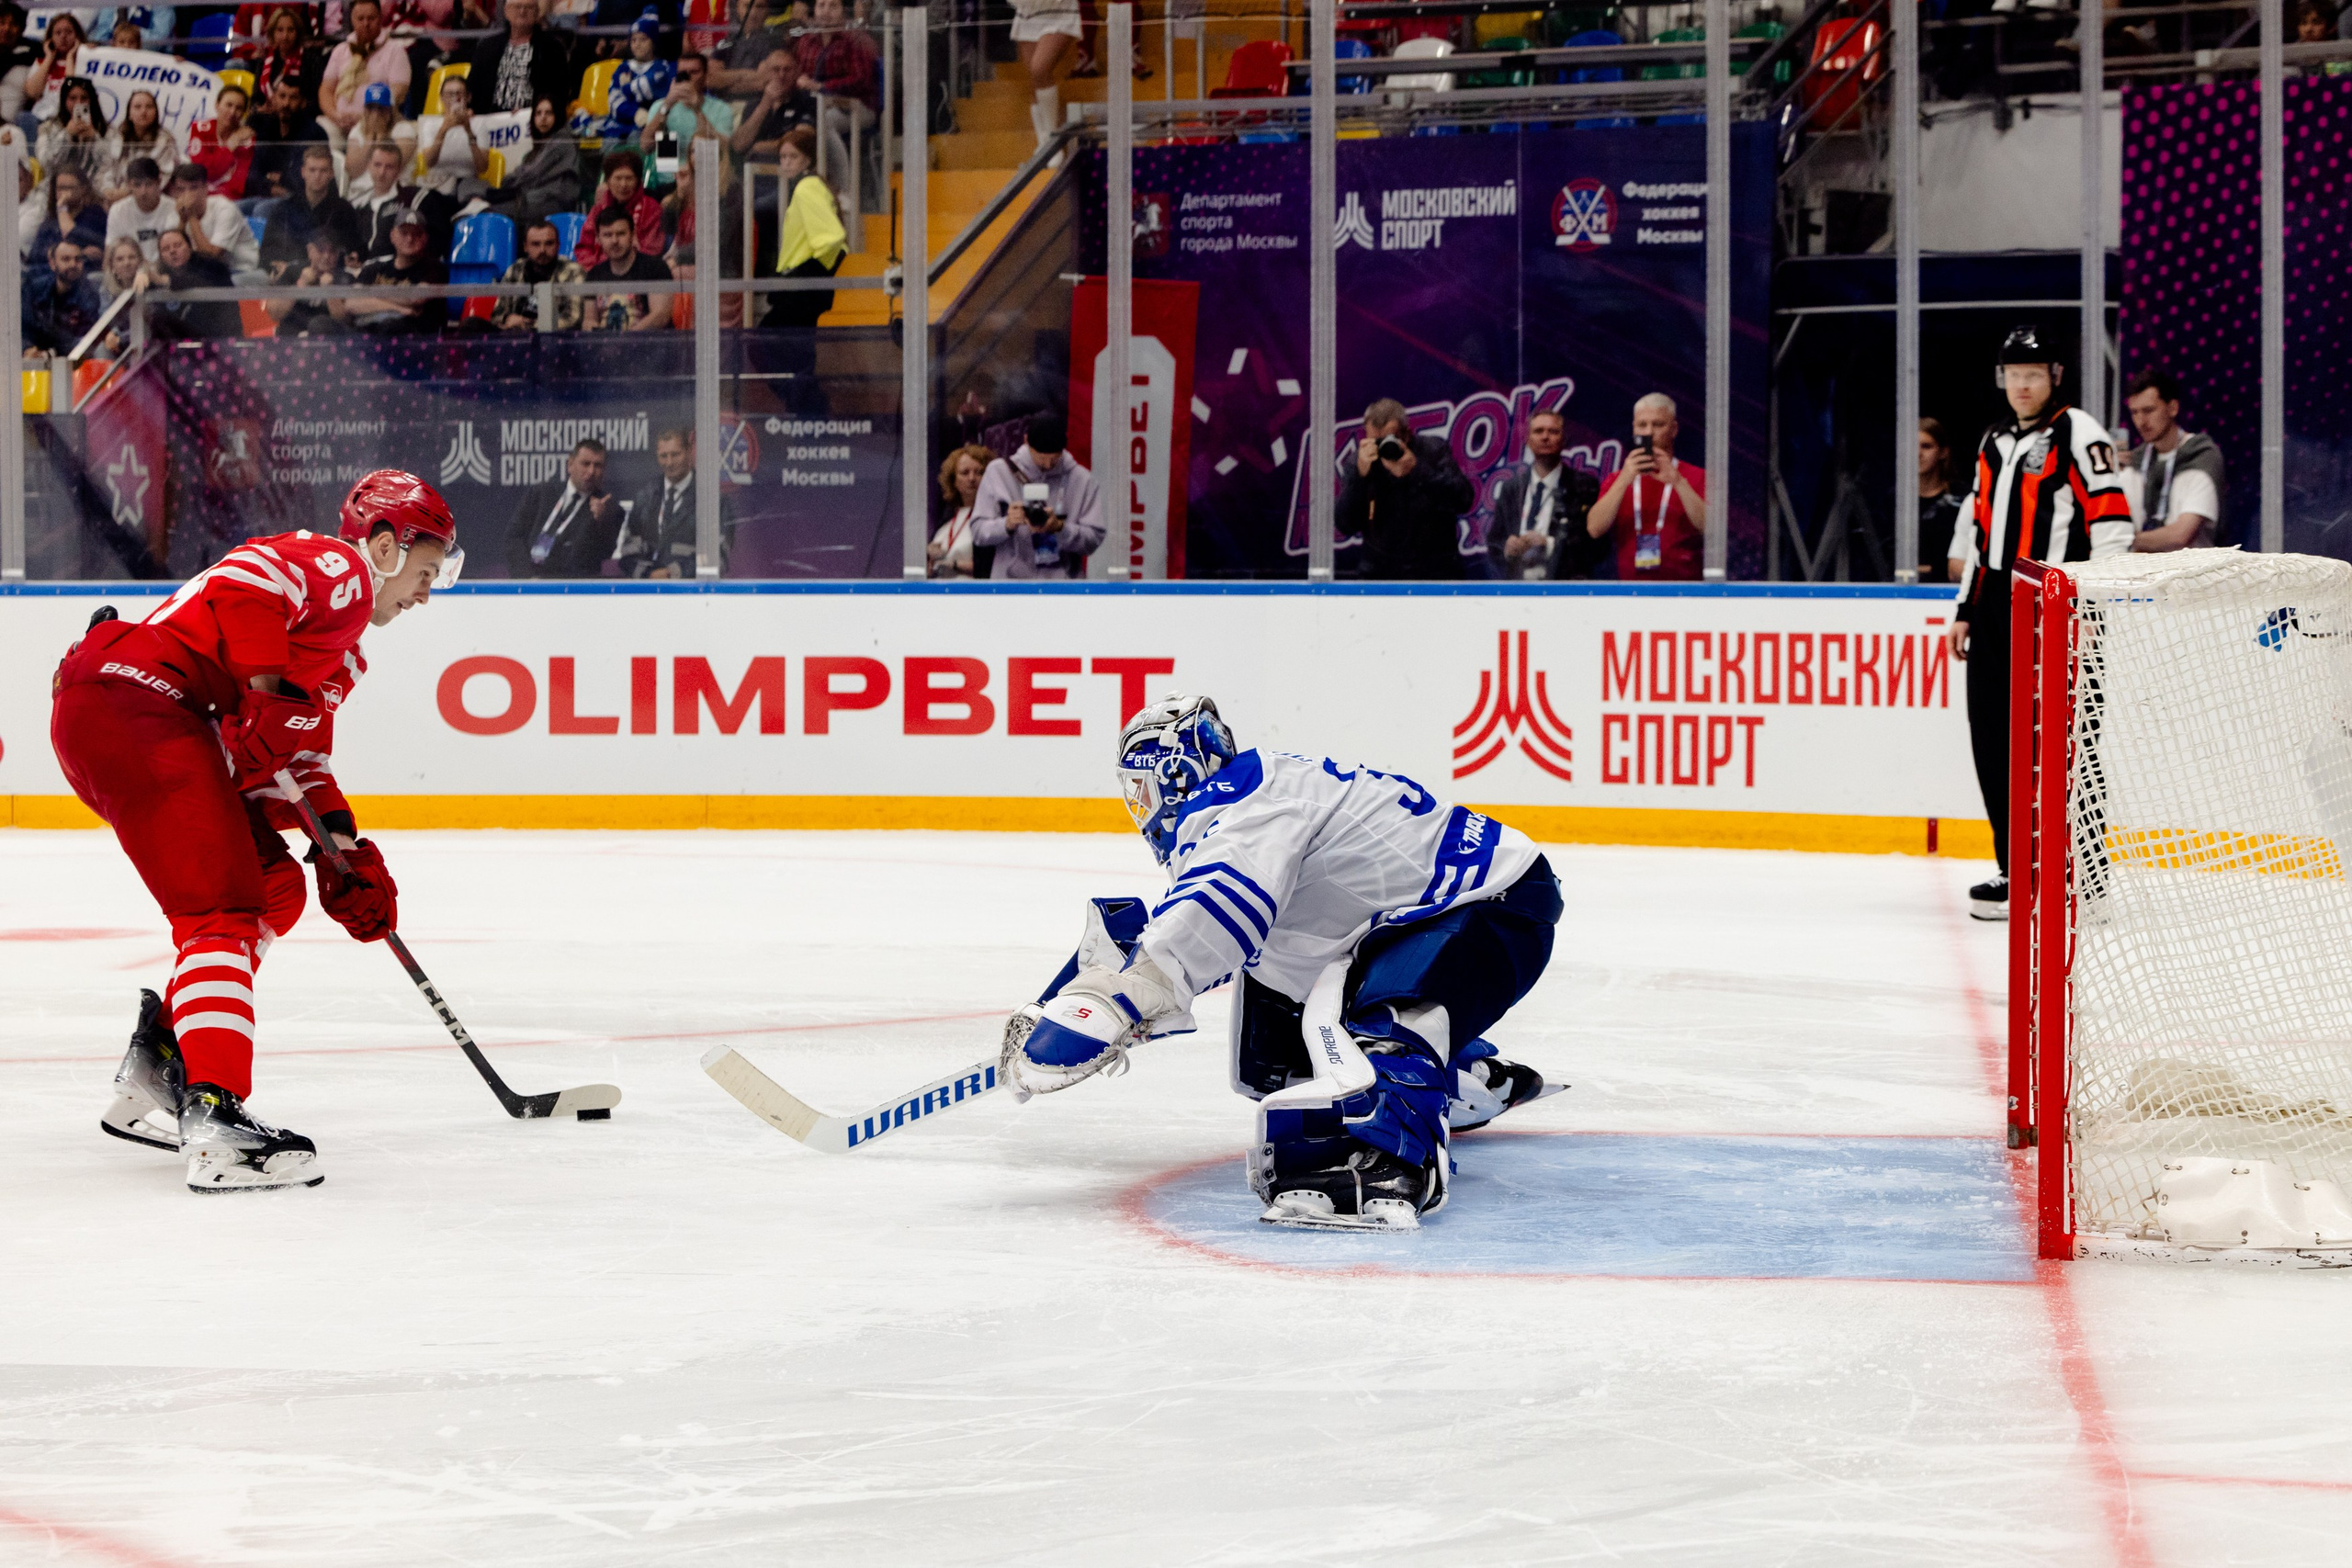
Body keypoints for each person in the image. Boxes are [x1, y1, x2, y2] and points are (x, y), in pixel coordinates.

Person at [999, 695, 1557, 1230]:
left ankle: (1391, 1164)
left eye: (1143, 792)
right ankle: (1461, 1078)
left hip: (1487, 901)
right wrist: (1101, 993)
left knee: (1388, 1021)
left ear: (1175, 774)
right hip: (1407, 914)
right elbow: (1232, 931)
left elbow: (1220, 905)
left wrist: (1124, 996)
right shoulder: (1253, 792)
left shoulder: (1246, 806)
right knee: (1273, 1059)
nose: (1143, 810)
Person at [55, 471, 459, 1192]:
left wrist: (344, 854)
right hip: (142, 703)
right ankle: (215, 1118)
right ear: (386, 547)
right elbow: (244, 583)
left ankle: (162, 1061)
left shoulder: (342, 651)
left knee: (275, 886)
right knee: (222, 908)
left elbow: (293, 760)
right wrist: (266, 691)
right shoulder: (341, 572)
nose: (426, 593)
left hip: (139, 717)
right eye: (427, 572)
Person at [1948, 325, 2132, 920]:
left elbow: (2112, 526)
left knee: (2068, 746)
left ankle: (2086, 879)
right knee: (1994, 742)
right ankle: (2018, 871)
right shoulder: (1993, 441)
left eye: (2032, 374)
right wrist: (1966, 609)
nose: (2021, 385)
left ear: (2055, 376)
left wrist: (2092, 604)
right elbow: (1979, 536)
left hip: (2057, 607)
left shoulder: (2079, 433)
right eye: (2012, 374)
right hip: (1995, 609)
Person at [1340, 398, 1475, 581]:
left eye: (1388, 440)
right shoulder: (1361, 462)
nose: (1382, 447)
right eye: (1375, 442)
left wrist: (1418, 470)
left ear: (1407, 434)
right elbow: (1345, 525)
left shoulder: (1433, 451)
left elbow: (1464, 499)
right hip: (1380, 572)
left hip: (1435, 571)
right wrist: (1359, 477)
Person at [1585, 392, 1706, 582]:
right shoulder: (1617, 478)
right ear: (1634, 429)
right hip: (1632, 589)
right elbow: (1594, 529)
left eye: (1658, 425)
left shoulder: (1696, 476)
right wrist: (1624, 479)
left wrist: (1678, 482)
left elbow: (1711, 528)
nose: (1649, 432)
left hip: (1684, 590)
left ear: (1674, 429)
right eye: (1642, 425)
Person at [970, 412, 1103, 579]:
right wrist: (1006, 524)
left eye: (1054, 459)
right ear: (1026, 441)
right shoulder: (999, 472)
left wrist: (1061, 528)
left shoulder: (1081, 479)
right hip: (1011, 585)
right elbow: (978, 532)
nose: (1047, 465)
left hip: (1062, 586)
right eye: (1040, 458)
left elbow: (1094, 539)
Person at [1486, 409, 1600, 581]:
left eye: (1553, 431)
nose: (1545, 437)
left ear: (1564, 439)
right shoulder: (1511, 488)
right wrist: (1506, 549)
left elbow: (1596, 547)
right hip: (1518, 588)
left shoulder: (1583, 486)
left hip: (1564, 588)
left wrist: (1550, 545)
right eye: (1538, 431)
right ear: (1527, 439)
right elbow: (1495, 542)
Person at [2120, 367, 2226, 552]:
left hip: (2192, 568)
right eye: (2134, 412)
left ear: (2173, 408)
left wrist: (2122, 539)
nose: (2140, 421)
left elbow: (2181, 536)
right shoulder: (2134, 461)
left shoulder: (2201, 455)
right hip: (2139, 568)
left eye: (2148, 410)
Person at [615, 427, 729, 576]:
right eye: (663, 456)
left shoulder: (712, 498)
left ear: (689, 452)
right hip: (649, 588)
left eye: (675, 455)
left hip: (693, 588)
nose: (669, 463)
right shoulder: (645, 496)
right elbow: (628, 552)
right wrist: (648, 575)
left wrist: (672, 573)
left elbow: (719, 556)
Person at [506, 438, 625, 576]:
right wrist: (527, 578)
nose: (591, 471)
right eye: (585, 464)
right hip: (531, 580)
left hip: (575, 584)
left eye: (598, 466)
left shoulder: (610, 509)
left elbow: (604, 553)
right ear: (570, 464)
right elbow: (513, 537)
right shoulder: (541, 493)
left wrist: (601, 521)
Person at [790, 0, 873, 187]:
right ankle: (800, 186)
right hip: (815, 104)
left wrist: (821, 87)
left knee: (824, 121)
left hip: (855, 106)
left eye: (833, 6)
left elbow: (860, 81)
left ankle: (843, 190)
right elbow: (796, 74)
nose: (826, 11)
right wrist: (799, 81)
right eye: (821, 5)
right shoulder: (806, 41)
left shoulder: (855, 39)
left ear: (844, 11)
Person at [765, 124, 842, 324]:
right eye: (783, 157)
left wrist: (803, 273)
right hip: (797, 287)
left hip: (800, 290)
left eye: (793, 156)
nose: (786, 162)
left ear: (808, 159)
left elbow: (832, 239)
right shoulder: (810, 186)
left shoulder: (806, 188)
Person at [337, 207, 449, 333]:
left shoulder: (435, 269)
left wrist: (369, 293)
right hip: (367, 336)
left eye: (416, 234)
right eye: (404, 233)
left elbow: (414, 299)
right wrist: (399, 308)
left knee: (390, 326)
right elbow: (351, 303)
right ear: (392, 236)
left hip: (411, 338)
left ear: (425, 238)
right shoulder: (374, 268)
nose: (410, 239)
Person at [320, 0, 413, 152]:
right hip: (339, 122)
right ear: (352, 20)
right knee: (321, 132)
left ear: (380, 18)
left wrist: (367, 117)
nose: (366, 24)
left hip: (378, 124)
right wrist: (335, 115)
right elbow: (326, 90)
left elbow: (398, 93)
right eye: (360, 19)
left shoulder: (395, 51)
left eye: (371, 18)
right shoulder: (340, 50)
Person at [259, 145, 360, 279]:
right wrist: (275, 269)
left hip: (328, 278)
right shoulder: (283, 208)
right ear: (303, 172)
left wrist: (293, 268)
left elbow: (350, 253)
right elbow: (266, 252)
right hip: (283, 278)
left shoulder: (345, 211)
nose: (317, 176)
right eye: (312, 170)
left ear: (331, 173)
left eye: (323, 170)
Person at [637, 48, 734, 182]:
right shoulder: (660, 106)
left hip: (706, 178)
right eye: (683, 73)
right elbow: (645, 147)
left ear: (705, 76)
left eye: (694, 72)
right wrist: (667, 106)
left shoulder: (721, 109)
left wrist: (697, 110)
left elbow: (723, 150)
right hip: (668, 181)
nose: (688, 78)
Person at [481, 96, 581, 226]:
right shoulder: (534, 152)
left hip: (554, 201)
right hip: (532, 200)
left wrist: (510, 183)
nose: (543, 118)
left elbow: (533, 173)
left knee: (491, 214)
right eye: (538, 113)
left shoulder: (563, 142)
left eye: (549, 113)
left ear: (557, 115)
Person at [470, 0, 577, 116]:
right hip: (490, 118)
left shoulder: (553, 48)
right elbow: (473, 87)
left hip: (534, 118)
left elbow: (560, 90)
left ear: (537, 13)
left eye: (528, 7)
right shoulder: (487, 47)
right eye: (517, 6)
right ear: (506, 11)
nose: (522, 11)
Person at [166, 162, 263, 282]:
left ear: (205, 189)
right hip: (201, 273)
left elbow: (212, 257)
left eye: (193, 188)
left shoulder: (225, 208)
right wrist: (182, 221)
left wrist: (192, 217)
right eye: (181, 189)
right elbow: (171, 255)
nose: (187, 195)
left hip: (240, 271)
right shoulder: (174, 213)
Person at [582, 205, 673, 330]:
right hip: (605, 341)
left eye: (621, 234)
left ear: (633, 235)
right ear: (598, 239)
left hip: (646, 341)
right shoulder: (594, 274)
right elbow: (589, 320)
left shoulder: (656, 267)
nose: (614, 241)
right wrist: (596, 332)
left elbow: (660, 316)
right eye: (607, 235)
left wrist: (625, 338)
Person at [243, 73, 329, 204]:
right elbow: (252, 172)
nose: (286, 104)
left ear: (303, 103)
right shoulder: (265, 128)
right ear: (274, 99)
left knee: (262, 210)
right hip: (265, 194)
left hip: (302, 201)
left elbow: (308, 177)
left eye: (293, 98)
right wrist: (270, 188)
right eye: (282, 96)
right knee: (236, 207)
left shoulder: (315, 133)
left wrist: (279, 178)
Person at [22, 236, 113, 356]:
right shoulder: (35, 289)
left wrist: (48, 354)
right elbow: (22, 327)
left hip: (72, 360)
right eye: (66, 259)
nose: (73, 264)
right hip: (33, 357)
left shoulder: (90, 294)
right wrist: (27, 349)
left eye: (78, 259)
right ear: (52, 263)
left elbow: (84, 339)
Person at [1008, 0, 1079, 156]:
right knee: (1035, 80)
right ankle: (1044, 143)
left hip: (1059, 10)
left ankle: (1053, 143)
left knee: (1039, 68)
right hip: (1029, 11)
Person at [489, 215, 582, 330]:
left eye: (549, 243)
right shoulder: (515, 269)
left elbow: (573, 319)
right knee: (473, 324)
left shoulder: (573, 271)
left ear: (558, 246)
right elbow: (497, 314)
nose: (542, 250)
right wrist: (507, 318)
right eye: (536, 244)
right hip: (514, 335)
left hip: (554, 337)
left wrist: (527, 324)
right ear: (525, 247)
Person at [574, 149, 663, 265]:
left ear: (638, 181)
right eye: (618, 178)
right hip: (599, 270)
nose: (623, 184)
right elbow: (584, 248)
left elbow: (652, 250)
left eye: (629, 178)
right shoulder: (598, 210)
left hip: (637, 271)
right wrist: (595, 269)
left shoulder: (651, 209)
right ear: (608, 181)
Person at [147, 227, 239, 339]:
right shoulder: (160, 274)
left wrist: (165, 280)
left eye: (177, 245)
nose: (172, 251)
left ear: (190, 247)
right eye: (166, 249)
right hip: (177, 342)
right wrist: (142, 273)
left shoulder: (213, 266)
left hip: (220, 338)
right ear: (161, 256)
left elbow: (198, 281)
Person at [416, 72, 492, 202]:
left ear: (468, 97)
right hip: (437, 182)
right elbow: (429, 162)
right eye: (449, 94)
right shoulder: (431, 125)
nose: (455, 98)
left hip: (468, 182)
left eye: (459, 93)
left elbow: (482, 167)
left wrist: (468, 131)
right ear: (441, 98)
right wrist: (443, 130)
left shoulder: (478, 124)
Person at [265, 227, 356, 333]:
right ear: (310, 250)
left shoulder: (345, 278)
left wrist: (330, 291)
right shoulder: (293, 271)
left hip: (324, 337)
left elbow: (344, 321)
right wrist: (301, 285)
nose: (326, 256)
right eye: (321, 250)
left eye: (332, 251)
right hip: (291, 336)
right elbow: (274, 313)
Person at [95, 89, 178, 206]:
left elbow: (163, 177)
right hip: (114, 200)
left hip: (149, 201)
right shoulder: (117, 137)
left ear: (156, 113)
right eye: (137, 107)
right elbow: (106, 168)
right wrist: (108, 190)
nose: (143, 111)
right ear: (129, 113)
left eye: (149, 107)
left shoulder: (165, 140)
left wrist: (128, 192)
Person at [605, 8, 674, 140]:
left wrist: (626, 88)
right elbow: (613, 102)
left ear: (653, 42)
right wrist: (635, 112)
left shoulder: (662, 68)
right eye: (633, 40)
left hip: (652, 129)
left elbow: (645, 88)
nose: (637, 45)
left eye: (643, 39)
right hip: (620, 129)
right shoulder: (623, 67)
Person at [34, 76, 107, 190]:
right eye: (72, 98)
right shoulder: (47, 128)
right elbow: (45, 163)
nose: (78, 103)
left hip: (94, 187)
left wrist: (95, 138)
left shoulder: (106, 129)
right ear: (64, 100)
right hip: (57, 187)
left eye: (84, 98)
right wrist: (66, 135)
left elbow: (112, 164)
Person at [340, 81, 417, 189]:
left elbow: (395, 165)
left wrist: (381, 135)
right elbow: (352, 171)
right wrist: (370, 137)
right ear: (364, 110)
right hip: (359, 191)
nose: (375, 114)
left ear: (391, 111)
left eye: (380, 108)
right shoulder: (357, 130)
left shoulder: (404, 130)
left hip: (394, 191)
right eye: (371, 108)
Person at [928, 443, 989, 578]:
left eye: (979, 472)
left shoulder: (991, 519)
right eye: (965, 473)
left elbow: (989, 567)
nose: (972, 478)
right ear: (953, 480)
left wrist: (954, 564)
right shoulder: (947, 519)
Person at [29, 165, 107, 271]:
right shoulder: (51, 219)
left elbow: (82, 238)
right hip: (49, 273)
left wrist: (62, 207)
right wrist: (75, 252)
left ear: (83, 189)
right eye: (60, 188)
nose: (64, 193)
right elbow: (34, 254)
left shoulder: (95, 214)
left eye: (69, 188)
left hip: (83, 273)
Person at [1917, 417, 1965, 583]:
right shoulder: (1896, 501)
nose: (1918, 454)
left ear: (1943, 452)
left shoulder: (1961, 499)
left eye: (1926, 446)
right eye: (1911, 447)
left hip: (1949, 588)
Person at [104, 158, 176, 264]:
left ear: (159, 182)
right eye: (137, 185)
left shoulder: (173, 208)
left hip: (165, 268)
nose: (143, 192)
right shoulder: (118, 210)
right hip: (130, 268)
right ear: (129, 185)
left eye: (149, 184)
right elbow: (110, 254)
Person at [23, 12, 86, 124]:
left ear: (78, 36)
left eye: (69, 32)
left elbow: (71, 91)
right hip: (40, 118)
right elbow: (33, 93)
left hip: (69, 119)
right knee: (23, 117)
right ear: (51, 38)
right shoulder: (41, 62)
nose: (63, 36)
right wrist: (49, 57)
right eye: (58, 33)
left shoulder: (85, 62)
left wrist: (70, 56)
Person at [0, 4, 35, 124]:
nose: (6, 29)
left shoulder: (32, 51)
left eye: (13, 24)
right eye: (2, 23)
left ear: (21, 29)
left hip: (12, 125)